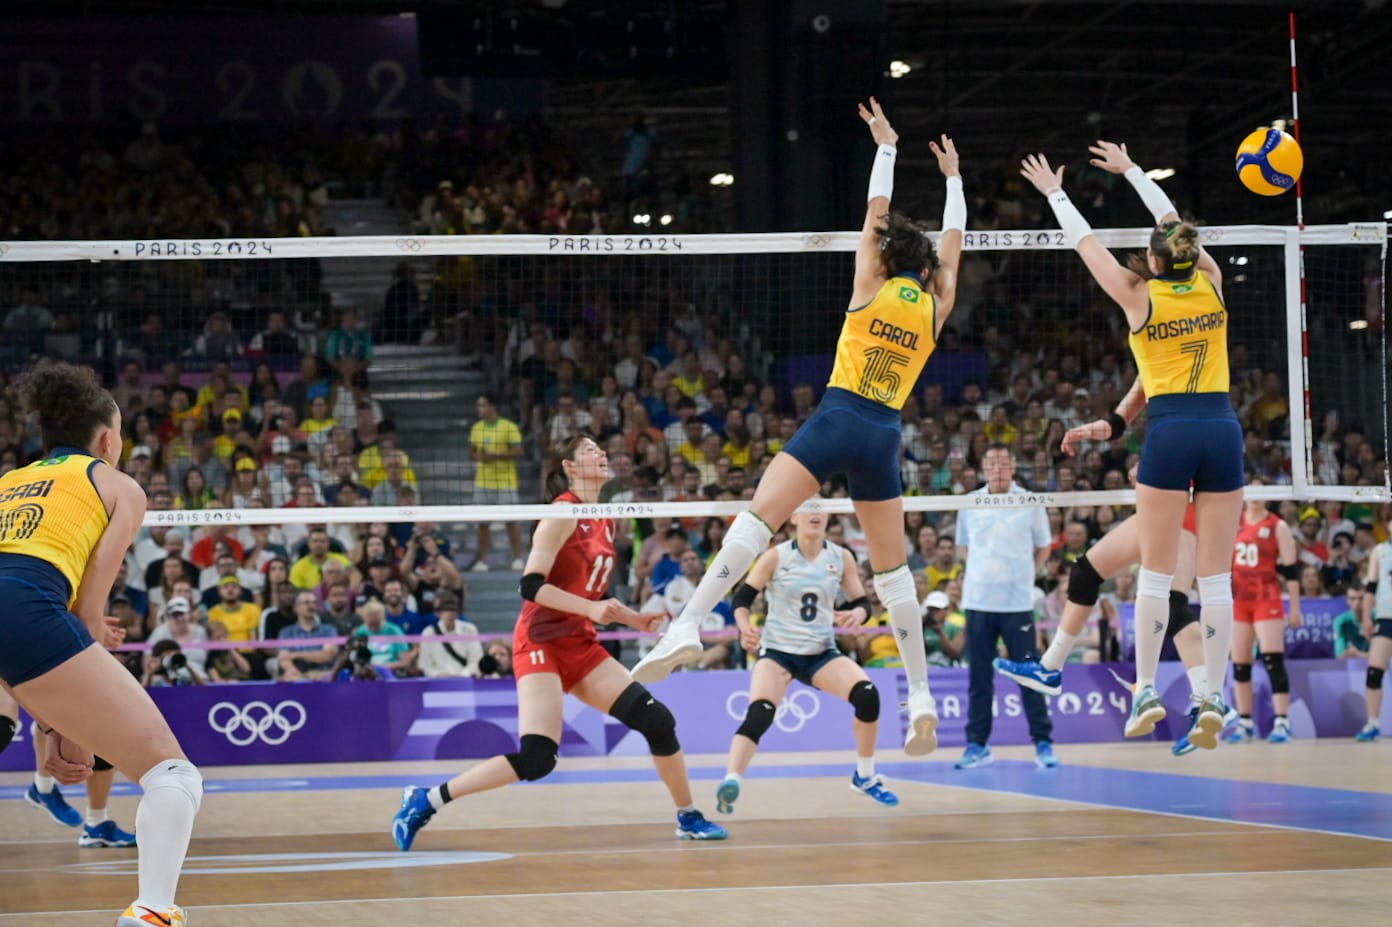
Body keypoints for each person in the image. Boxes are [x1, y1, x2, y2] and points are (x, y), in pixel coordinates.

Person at [632, 98, 965, 758]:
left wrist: (886, 146)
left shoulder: (869, 280)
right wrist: (954, 181)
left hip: (838, 413)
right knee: (894, 573)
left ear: (888, 257)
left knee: (757, 517)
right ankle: (921, 694)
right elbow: (955, 244)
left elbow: (874, 213)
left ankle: (689, 625)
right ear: (926, 271)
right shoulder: (935, 303)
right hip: (883, 433)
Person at [392, 435, 727, 850]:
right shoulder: (562, 511)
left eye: (601, 448)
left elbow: (591, 593)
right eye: (589, 450)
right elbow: (530, 585)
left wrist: (632, 618)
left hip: (579, 642)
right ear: (569, 466)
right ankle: (424, 800)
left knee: (658, 722)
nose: (602, 453)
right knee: (538, 758)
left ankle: (688, 816)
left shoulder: (604, 517)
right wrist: (590, 612)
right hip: (540, 641)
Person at [1022, 140, 1243, 749]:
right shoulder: (1213, 283)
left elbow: (1085, 242)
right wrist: (1136, 173)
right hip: (1222, 428)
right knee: (1215, 581)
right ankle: (1213, 699)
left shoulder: (1138, 295)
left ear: (1150, 260)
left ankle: (1145, 687)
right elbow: (1174, 227)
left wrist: (1056, 193)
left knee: (1157, 573)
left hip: (1170, 431)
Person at [0, 361, 201, 927]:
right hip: (26, 608)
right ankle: (153, 913)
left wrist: (50, 724)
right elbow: (86, 613)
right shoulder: (117, 485)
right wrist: (68, 731)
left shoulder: (8, 481)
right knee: (173, 774)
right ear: (109, 439)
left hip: (18, 610)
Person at [994, 387, 1232, 756]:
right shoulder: (1170, 378)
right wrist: (1108, 428)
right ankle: (1051, 667)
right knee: (1094, 575)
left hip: (1179, 504)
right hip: (1170, 501)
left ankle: (1202, 697)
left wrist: (1144, 458)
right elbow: (1131, 407)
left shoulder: (1188, 384)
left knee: (1168, 602)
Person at [716, 510, 898, 815]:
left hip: (820, 652)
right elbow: (742, 598)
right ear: (794, 519)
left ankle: (864, 776)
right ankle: (731, 781)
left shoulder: (842, 557)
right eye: (808, 508)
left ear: (828, 517)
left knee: (868, 695)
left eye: (820, 507)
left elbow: (861, 602)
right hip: (777, 651)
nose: (815, 513)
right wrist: (744, 626)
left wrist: (859, 614)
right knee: (760, 712)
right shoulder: (776, 556)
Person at [953, 445, 1057, 769]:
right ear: (984, 469)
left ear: (1013, 467)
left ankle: (1043, 743)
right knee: (979, 679)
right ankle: (977, 745)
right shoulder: (970, 503)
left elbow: (1044, 548)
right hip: (978, 602)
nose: (997, 469)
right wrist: (983, 576)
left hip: (1017, 603)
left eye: (1002, 463)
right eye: (991, 463)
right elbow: (965, 549)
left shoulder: (1030, 502)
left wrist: (1023, 575)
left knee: (1030, 674)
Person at [1227, 487, 1303, 744]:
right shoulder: (1233, 521)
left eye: (1262, 491)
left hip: (1266, 599)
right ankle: (1245, 723)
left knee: (1272, 659)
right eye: (1252, 491)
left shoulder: (1277, 526)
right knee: (1240, 663)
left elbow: (1292, 572)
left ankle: (1282, 722)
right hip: (1239, 601)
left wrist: (1295, 607)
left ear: (1269, 497)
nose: (1256, 496)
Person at [468, 394, 525, 572]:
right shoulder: (476, 428)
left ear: (493, 407)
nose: (479, 409)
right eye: (479, 406)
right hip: (483, 481)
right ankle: (483, 561)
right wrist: (480, 457)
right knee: (482, 523)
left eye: (482, 405)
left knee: (511, 521)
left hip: (506, 482)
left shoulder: (508, 427)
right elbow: (472, 453)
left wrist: (496, 456)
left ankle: (517, 559)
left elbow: (519, 451)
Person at [1354, 510, 1392, 742]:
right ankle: (1372, 723)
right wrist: (1367, 617)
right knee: (1374, 671)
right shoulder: (1380, 551)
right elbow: (1370, 588)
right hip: (1386, 618)